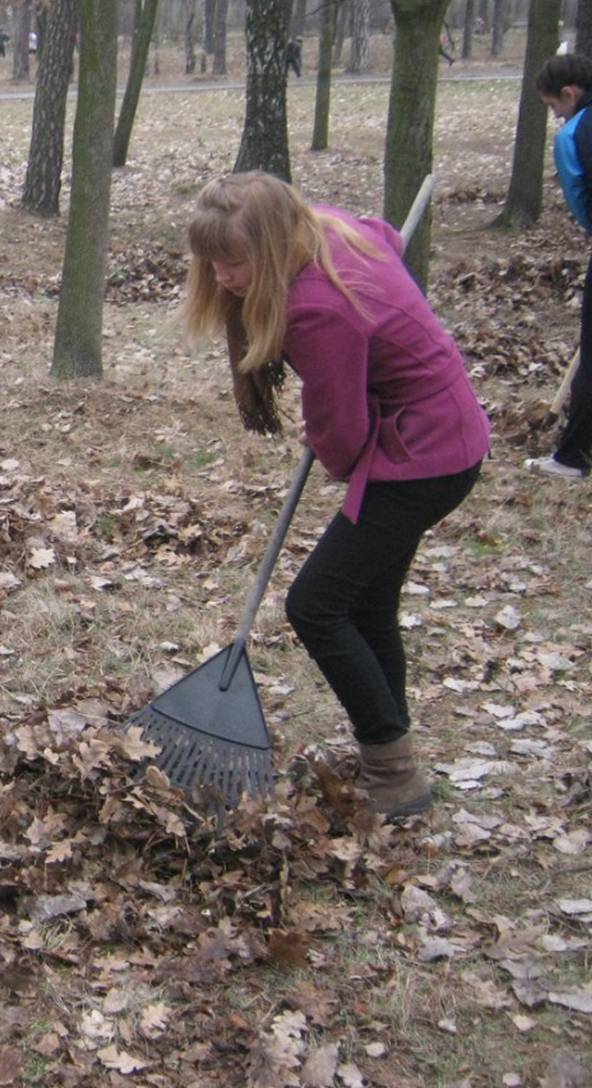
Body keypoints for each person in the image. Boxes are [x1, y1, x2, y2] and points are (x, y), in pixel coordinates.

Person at [183, 172, 490, 819]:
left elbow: (342, 432)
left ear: (268, 249)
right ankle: (394, 755)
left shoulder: (318, 308)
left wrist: (335, 447)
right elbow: (387, 239)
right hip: (441, 437)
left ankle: (392, 768)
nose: (221, 277)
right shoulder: (320, 227)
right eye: (210, 261)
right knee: (367, 603)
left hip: (423, 456)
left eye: (233, 262)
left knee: (316, 606)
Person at [532, 53, 592, 478]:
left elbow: (580, 198)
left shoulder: (575, 134)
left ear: (569, 95)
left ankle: (572, 458)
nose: (556, 116)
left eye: (554, 106)